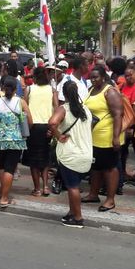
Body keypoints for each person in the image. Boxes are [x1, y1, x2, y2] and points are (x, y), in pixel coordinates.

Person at [49, 81, 93, 228]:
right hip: (86, 153)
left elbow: (52, 123)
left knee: (72, 187)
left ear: (64, 94)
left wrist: (58, 135)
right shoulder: (86, 110)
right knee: (74, 185)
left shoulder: (63, 109)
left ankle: (78, 218)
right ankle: (72, 212)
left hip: (70, 154)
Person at [81, 65, 123, 212]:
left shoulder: (110, 92)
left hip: (107, 136)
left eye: (95, 77)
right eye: (91, 77)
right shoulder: (91, 90)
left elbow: (118, 114)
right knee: (95, 167)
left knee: (109, 168)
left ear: (104, 77)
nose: (92, 80)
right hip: (92, 136)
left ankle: (110, 199)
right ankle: (93, 193)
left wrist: (116, 137)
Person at [0, 76, 30, 208]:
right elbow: (30, 122)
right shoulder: (21, 102)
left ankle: (3, 193)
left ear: (3, 87)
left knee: (2, 167)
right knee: (10, 169)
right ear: (16, 88)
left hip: (0, 140)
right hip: (16, 140)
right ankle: (4, 197)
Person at [23, 66, 58, 197]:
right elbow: (56, 107)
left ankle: (37, 188)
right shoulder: (52, 90)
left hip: (32, 127)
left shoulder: (29, 89)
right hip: (48, 126)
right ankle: (45, 187)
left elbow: (24, 107)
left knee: (33, 160)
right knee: (45, 159)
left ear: (35, 77)